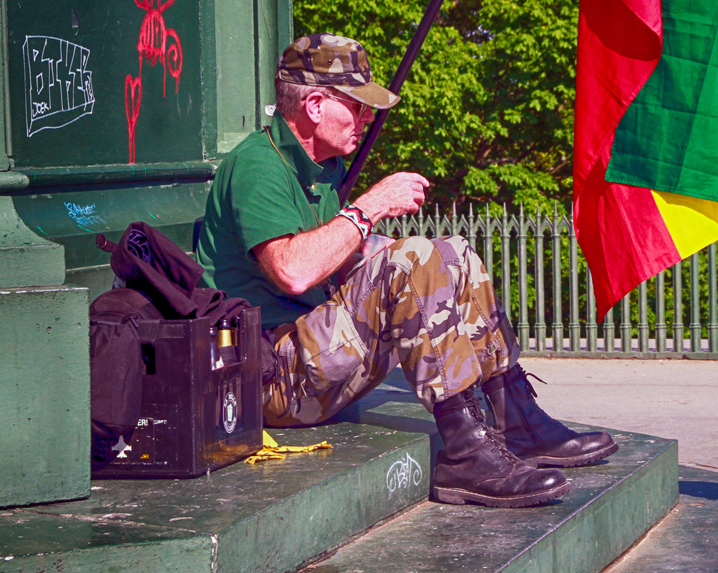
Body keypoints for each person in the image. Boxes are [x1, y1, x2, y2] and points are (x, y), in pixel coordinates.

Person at [195, 32, 617, 508]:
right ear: (314, 104)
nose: (367, 119)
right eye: (356, 106)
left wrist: (420, 259)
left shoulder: (321, 165)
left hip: (308, 358)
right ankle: (465, 454)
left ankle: (515, 418)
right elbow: (292, 271)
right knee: (412, 259)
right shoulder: (257, 166)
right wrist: (369, 208)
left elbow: (340, 257)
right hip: (267, 378)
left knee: (451, 251)